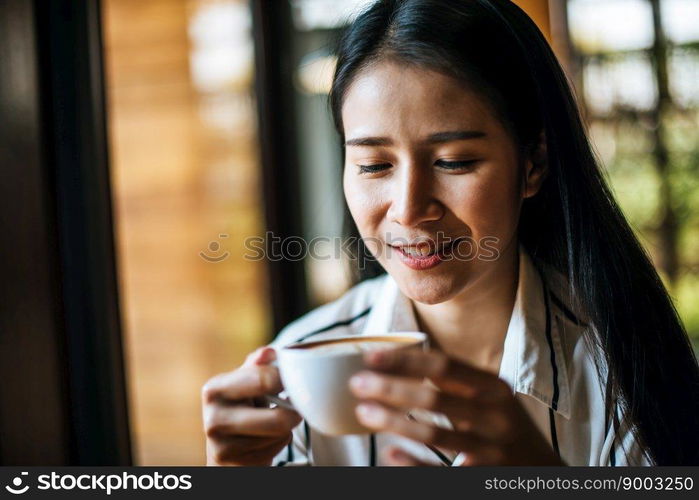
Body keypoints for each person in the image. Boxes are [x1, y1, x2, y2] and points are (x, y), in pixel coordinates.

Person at [201, 0, 699, 466]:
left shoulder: (619, 366)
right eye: (374, 165)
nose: (410, 209)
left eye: (454, 162)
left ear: (533, 164)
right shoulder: (304, 371)